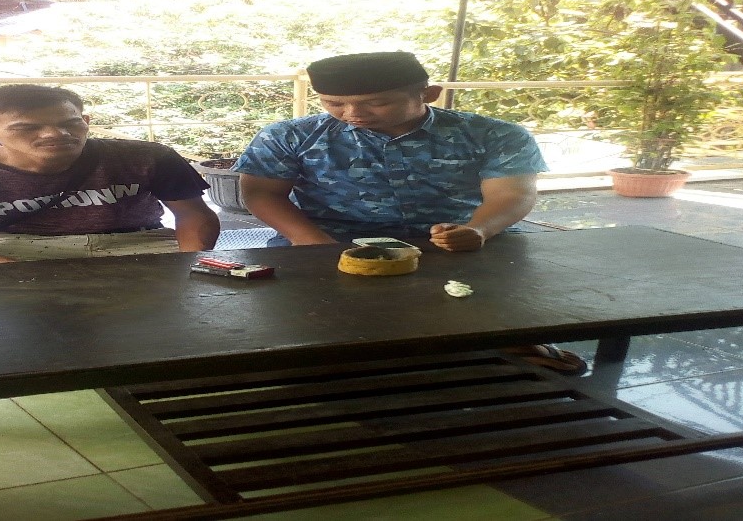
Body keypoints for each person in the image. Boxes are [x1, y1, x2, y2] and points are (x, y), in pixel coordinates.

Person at [233, 51, 585, 375]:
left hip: (457, 237)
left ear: (428, 94)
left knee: (492, 294)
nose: (352, 114)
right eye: (334, 103)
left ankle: (505, 338)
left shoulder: (494, 134)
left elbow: (512, 193)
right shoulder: (290, 135)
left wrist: (480, 230)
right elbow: (261, 193)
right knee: (308, 313)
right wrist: (309, 240)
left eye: (377, 103)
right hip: (329, 238)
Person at [0, 84, 220, 266]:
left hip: (141, 241)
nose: (55, 134)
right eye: (27, 128)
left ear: (86, 120)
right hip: (15, 247)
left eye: (70, 123)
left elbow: (193, 215)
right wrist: (3, 269)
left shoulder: (148, 156)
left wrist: (190, 264)